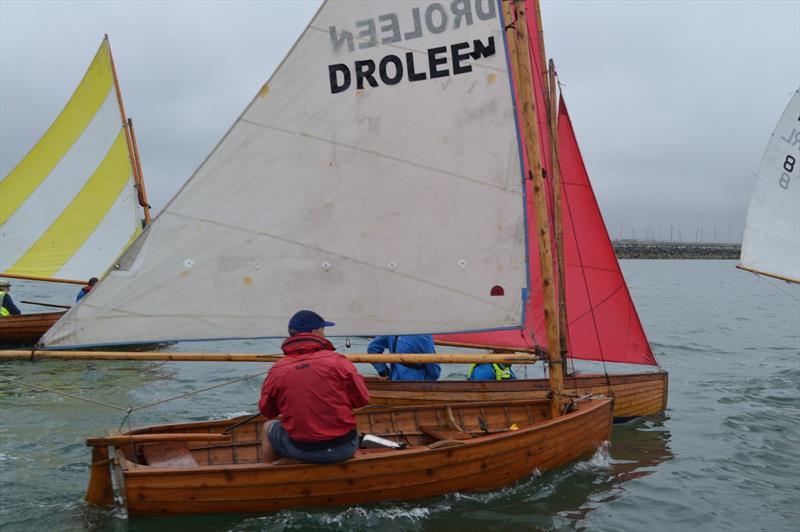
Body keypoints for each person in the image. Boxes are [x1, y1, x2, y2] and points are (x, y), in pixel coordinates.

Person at [259, 310, 369, 464]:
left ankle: (271, 475)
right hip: (345, 447)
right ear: (314, 332)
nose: (324, 335)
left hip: (301, 449)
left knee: (268, 427)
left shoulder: (277, 369)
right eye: (323, 331)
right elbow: (362, 400)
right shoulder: (338, 361)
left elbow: (267, 412)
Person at [369, 335, 441, 381]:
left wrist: (383, 372)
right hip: (418, 385)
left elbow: (372, 348)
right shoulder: (423, 336)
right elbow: (435, 373)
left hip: (393, 381)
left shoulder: (392, 330)